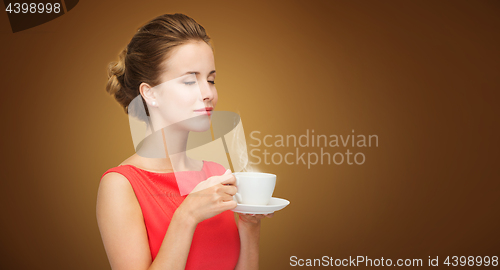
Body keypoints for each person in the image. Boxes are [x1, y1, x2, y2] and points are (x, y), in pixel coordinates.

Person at [96, 13, 273, 270]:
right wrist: (187, 215)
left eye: (210, 80)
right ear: (150, 93)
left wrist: (250, 225)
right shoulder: (120, 186)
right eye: (190, 80)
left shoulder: (217, 175)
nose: (208, 93)